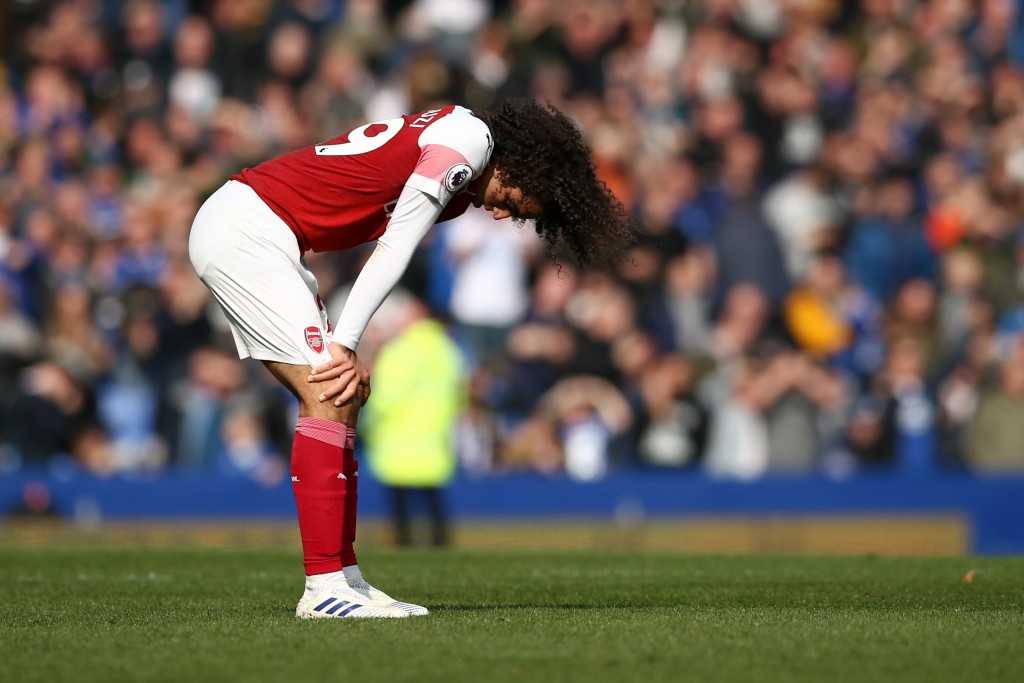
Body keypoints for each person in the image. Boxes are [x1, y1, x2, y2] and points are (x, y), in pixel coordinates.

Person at [187, 98, 631, 619]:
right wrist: (345, 343)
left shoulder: (462, 149)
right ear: (519, 166)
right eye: (517, 200)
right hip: (249, 231)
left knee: (343, 393)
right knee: (329, 389)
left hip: (261, 230)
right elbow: (396, 246)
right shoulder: (467, 146)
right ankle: (324, 586)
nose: (502, 212)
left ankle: (344, 577)